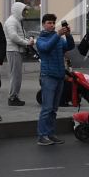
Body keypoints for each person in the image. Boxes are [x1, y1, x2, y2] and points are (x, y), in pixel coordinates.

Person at [34, 12, 74, 145]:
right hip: (48, 76)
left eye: (53, 23)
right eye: (49, 23)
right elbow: (46, 47)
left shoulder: (59, 39)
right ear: (43, 25)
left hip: (59, 76)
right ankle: (41, 136)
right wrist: (58, 35)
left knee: (54, 109)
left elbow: (70, 46)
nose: (51, 25)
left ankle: (50, 134)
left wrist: (68, 35)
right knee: (47, 108)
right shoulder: (41, 39)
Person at [3, 2, 32, 107]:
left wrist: (29, 40)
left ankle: (15, 96)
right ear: (19, 10)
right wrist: (26, 43)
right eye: (24, 10)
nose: (26, 12)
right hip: (13, 50)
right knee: (15, 75)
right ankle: (12, 97)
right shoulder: (12, 21)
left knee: (17, 75)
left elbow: (21, 35)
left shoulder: (17, 21)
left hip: (16, 50)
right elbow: (13, 36)